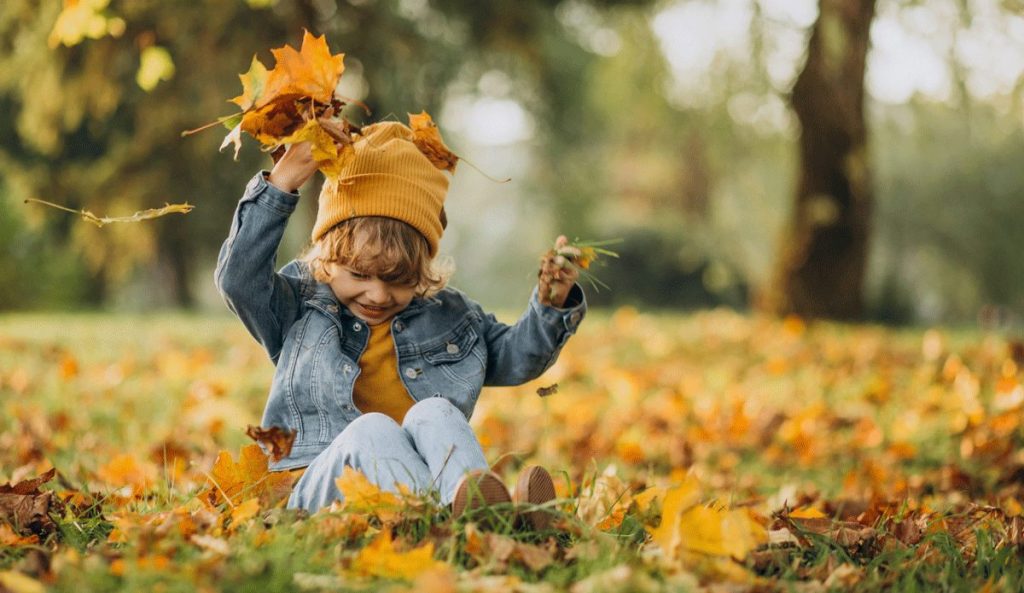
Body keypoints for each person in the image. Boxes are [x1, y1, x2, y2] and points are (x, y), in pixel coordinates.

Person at [214, 120, 586, 529]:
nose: (377, 294)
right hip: (318, 492)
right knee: (372, 429)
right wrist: (282, 182)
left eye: (398, 280)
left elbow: (518, 358)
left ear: (422, 272)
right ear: (325, 257)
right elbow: (239, 280)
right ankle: (475, 523)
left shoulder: (449, 315)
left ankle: (480, 519)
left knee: (436, 412)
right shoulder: (298, 305)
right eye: (358, 275)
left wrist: (552, 303)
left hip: (407, 491)